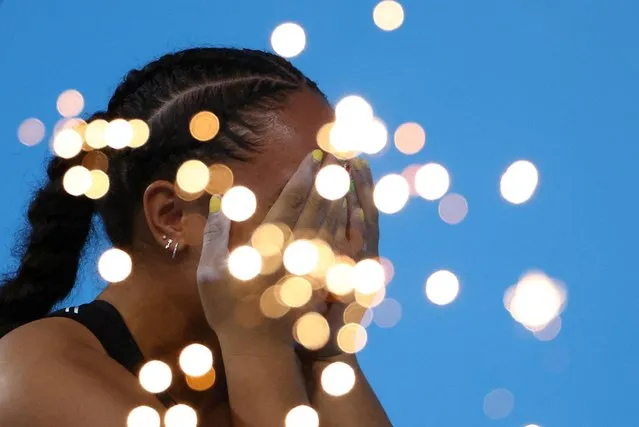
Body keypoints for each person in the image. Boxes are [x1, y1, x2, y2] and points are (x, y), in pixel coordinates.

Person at [0, 47, 392, 426]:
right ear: (172, 216)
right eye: (302, 203)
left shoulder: (274, 370)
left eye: (341, 201)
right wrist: (259, 347)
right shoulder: (37, 376)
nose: (338, 240)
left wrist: (331, 354)